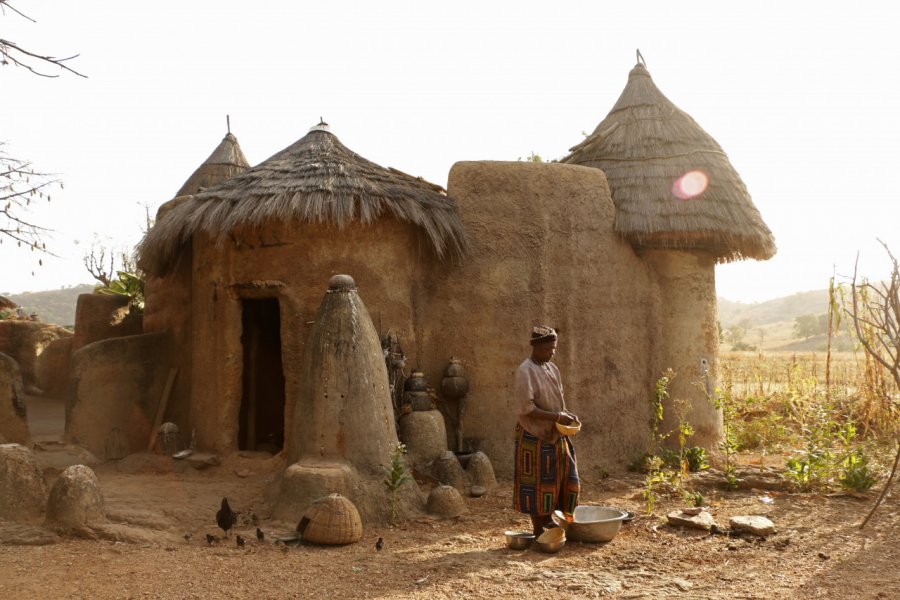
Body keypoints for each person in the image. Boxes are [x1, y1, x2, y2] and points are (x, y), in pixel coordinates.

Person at [513, 325, 580, 536]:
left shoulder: (552, 368)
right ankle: (538, 527)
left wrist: (568, 415)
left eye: (554, 348)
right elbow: (527, 408)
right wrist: (558, 417)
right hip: (533, 435)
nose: (551, 352)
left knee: (558, 478)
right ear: (536, 346)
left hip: (555, 434)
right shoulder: (525, 371)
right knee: (537, 483)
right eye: (548, 349)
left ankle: (549, 519)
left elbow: (558, 404)